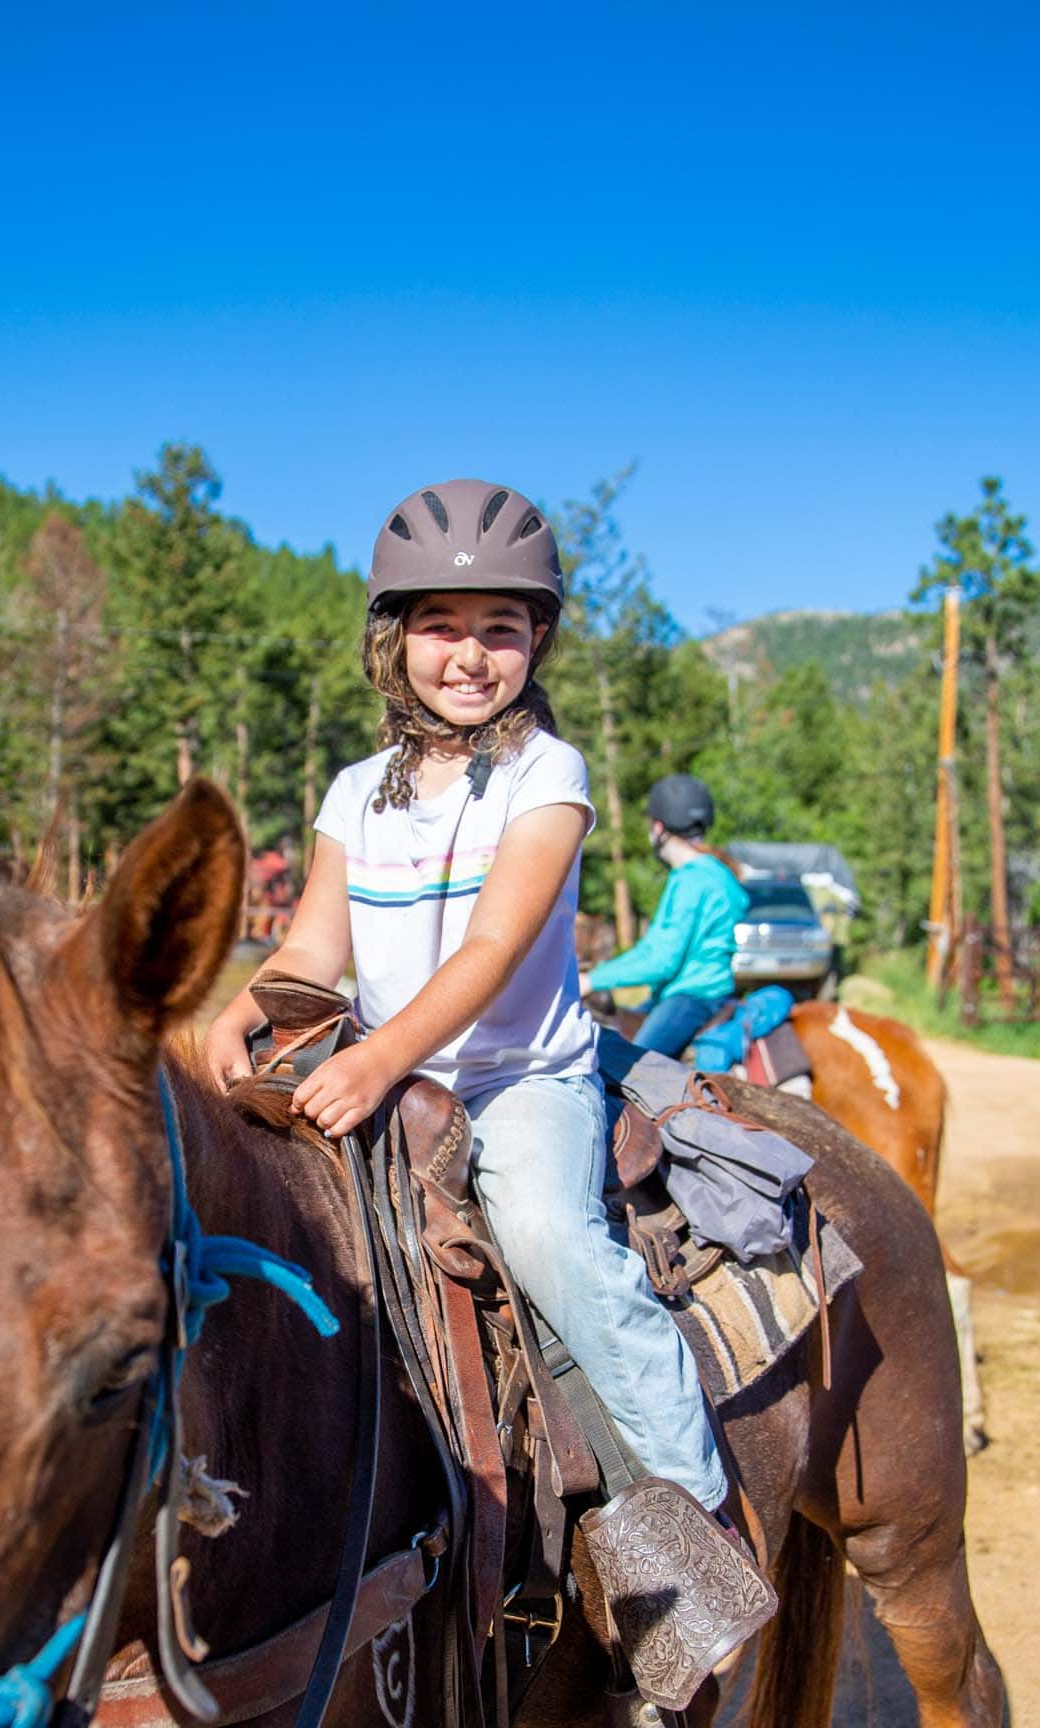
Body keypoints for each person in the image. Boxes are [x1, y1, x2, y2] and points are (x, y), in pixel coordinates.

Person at [203, 480, 771, 1628]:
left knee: (553, 1239)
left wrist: (376, 1060)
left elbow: (497, 946)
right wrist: (240, 1008)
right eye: (440, 625)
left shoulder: (544, 776)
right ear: (393, 640)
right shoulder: (355, 794)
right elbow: (315, 941)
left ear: (537, 640)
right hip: (381, 1067)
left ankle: (694, 1521)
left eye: (499, 629)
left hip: (517, 1079)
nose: (469, 655)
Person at [584, 776, 748, 1056]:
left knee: (629, 1070)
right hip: (683, 993)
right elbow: (650, 948)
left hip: (693, 997)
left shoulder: (692, 881)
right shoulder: (708, 873)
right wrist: (598, 975)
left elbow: (662, 961)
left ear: (659, 827)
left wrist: (590, 981)